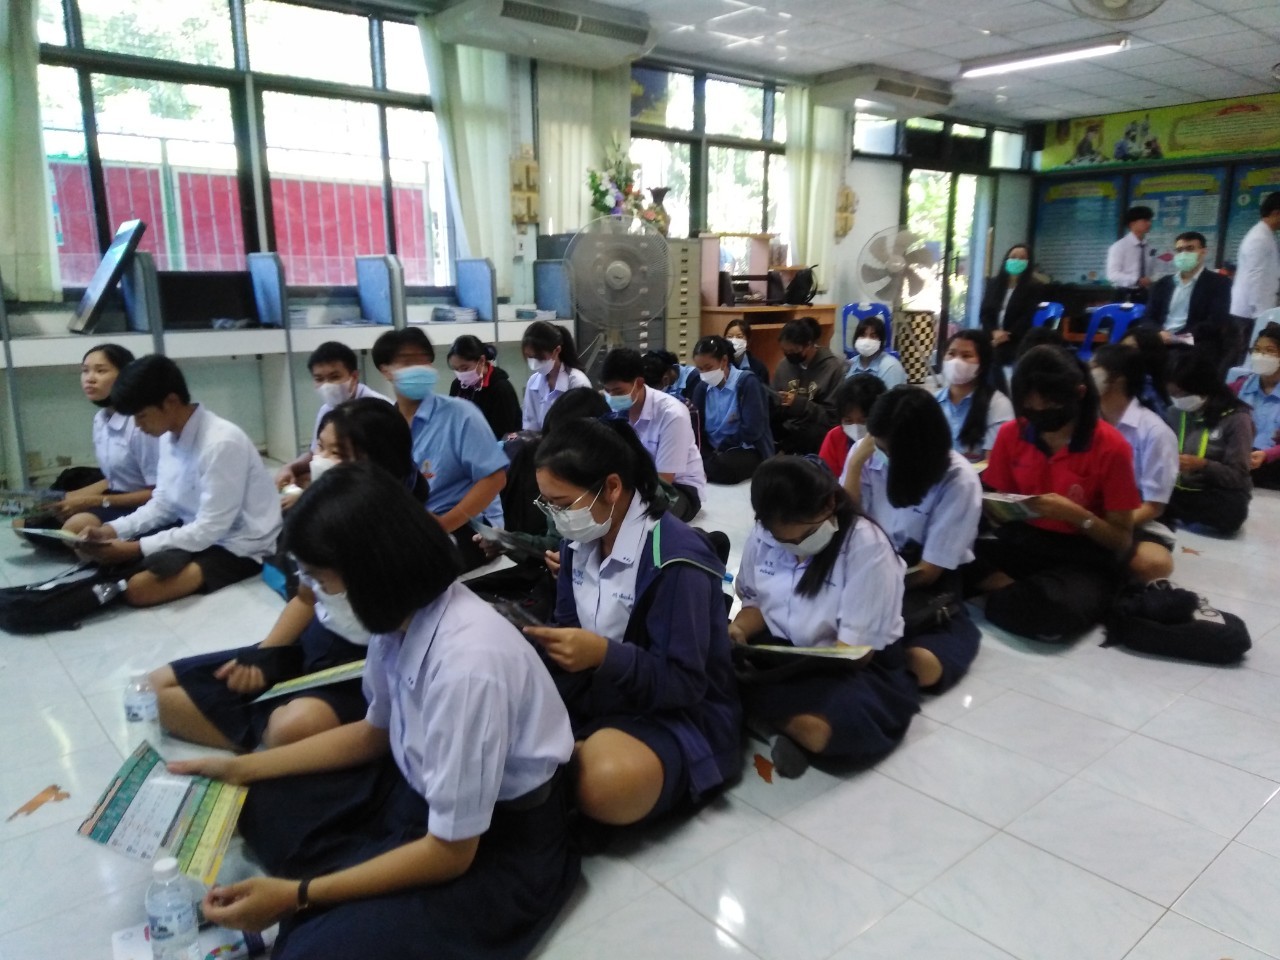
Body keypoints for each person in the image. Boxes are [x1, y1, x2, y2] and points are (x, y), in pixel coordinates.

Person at [168, 464, 578, 960]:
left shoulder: (467, 666)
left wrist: (298, 895)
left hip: (498, 842)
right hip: (414, 793)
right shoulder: (398, 620)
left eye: (321, 580)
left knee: (321, 951)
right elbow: (373, 732)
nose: (312, 593)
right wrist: (241, 769)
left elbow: (451, 852)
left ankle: (327, 901)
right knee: (261, 799)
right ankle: (340, 886)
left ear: (370, 575)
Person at [151, 399, 428, 752]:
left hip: (366, 667)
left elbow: (409, 649)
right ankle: (269, 737)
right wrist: (267, 653)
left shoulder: (405, 538)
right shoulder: (321, 519)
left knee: (288, 728)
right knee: (155, 688)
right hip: (316, 642)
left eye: (337, 453)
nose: (320, 461)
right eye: (320, 448)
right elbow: (306, 599)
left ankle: (271, 742)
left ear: (380, 464)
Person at [526, 417, 740, 825]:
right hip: (602, 690)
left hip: (678, 711)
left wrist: (603, 655)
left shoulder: (675, 559)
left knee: (604, 781)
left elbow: (684, 683)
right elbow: (566, 624)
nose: (556, 518)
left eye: (563, 504)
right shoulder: (579, 542)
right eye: (547, 504)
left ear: (612, 486)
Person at [731, 456, 918, 778]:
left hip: (846, 667)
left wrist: (790, 668)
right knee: (705, 660)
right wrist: (739, 629)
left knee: (826, 725)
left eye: (806, 535)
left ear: (830, 504)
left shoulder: (866, 545)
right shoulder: (764, 535)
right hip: (778, 651)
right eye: (784, 541)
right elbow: (756, 604)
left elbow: (855, 654)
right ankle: (773, 719)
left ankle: (760, 716)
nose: (796, 548)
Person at [76, 356, 282, 607]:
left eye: (142, 416)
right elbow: (163, 504)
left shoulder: (221, 442)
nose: (138, 426)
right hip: (195, 532)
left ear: (171, 402)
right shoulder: (168, 436)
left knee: (139, 589)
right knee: (101, 553)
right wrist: (112, 530)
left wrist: (134, 548)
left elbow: (211, 528)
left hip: (241, 545)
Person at [966, 345, 1140, 642]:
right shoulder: (1012, 433)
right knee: (948, 559)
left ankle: (1006, 592)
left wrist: (1075, 515)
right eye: (1029, 407)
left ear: (1079, 394)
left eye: (1049, 406)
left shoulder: (1112, 447)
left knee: (1055, 612)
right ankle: (1009, 590)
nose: (1038, 414)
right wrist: (994, 509)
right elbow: (998, 501)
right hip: (1023, 540)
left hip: (1082, 553)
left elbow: (1121, 539)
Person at [842, 388, 983, 693]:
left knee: (916, 661)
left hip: (919, 580)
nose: (880, 454)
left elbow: (930, 571)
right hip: (864, 566)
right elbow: (846, 526)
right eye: (877, 444)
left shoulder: (957, 479)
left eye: (888, 449)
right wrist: (854, 467)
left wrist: (876, 587)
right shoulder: (868, 453)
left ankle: (952, 630)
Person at [372, 328, 507, 571]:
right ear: (386, 370)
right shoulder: (383, 424)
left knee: (403, 569)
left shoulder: (460, 414)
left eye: (424, 360)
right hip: (408, 526)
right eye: (408, 361)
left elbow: (494, 478)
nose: (419, 367)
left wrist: (443, 524)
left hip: (461, 526)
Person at [41, 344, 160, 536]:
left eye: (100, 371)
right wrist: (69, 498)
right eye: (85, 371)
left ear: (125, 376)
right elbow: (113, 480)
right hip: (115, 497)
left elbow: (158, 494)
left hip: (144, 505)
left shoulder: (141, 424)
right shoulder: (101, 419)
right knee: (27, 522)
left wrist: (93, 501)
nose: (90, 378)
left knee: (75, 528)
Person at [1091, 345, 1179, 582]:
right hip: (1088, 509)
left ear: (1117, 379)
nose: (1086, 375)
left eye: (1094, 368)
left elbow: (1153, 506)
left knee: (1152, 563)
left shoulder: (1155, 432)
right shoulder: (1085, 420)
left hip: (1137, 519)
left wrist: (1104, 527)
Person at [600, 347, 707, 521]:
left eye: (618, 391)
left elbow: (664, 481)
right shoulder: (616, 409)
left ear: (639, 383)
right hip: (637, 482)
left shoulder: (672, 414)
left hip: (678, 489)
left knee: (637, 518)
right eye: (607, 390)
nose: (612, 397)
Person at [275, 341, 390, 492]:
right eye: (319, 379)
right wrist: (290, 468)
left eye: (334, 377)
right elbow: (315, 452)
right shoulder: (327, 409)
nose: (326, 385)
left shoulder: (378, 410)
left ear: (354, 377)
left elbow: (379, 468)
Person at [1163, 347, 1253, 536]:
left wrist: (1203, 465)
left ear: (1203, 388)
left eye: (1182, 394)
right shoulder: (1174, 412)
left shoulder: (1237, 418)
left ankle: (1170, 510)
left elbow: (1238, 476)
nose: (1177, 400)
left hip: (1212, 491)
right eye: (1173, 394)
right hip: (1176, 486)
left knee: (1232, 511)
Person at [1143, 231, 1235, 372]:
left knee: (1179, 360)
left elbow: (1216, 321)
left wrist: (1177, 338)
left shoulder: (1219, 283)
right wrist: (1159, 333)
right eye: (1180, 250)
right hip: (1161, 338)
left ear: (1203, 252)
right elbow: (1148, 317)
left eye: (1190, 249)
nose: (1184, 254)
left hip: (1195, 341)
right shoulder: (1162, 284)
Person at [689, 335, 776, 484]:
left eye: (708, 368)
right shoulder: (701, 388)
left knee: (723, 467)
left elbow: (752, 430)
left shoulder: (747, 382)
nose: (704, 374)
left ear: (724, 361)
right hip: (713, 449)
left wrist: (725, 445)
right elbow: (696, 427)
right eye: (700, 369)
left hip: (745, 448)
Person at [935, 330, 1014, 462]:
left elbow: (993, 463)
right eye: (951, 354)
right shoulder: (934, 402)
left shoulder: (998, 406)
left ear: (982, 365)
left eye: (966, 355)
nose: (956, 361)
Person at [770, 317, 844, 455]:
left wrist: (800, 404)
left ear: (809, 345)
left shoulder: (832, 368)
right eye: (785, 351)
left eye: (794, 351)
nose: (789, 355)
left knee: (811, 434)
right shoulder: (784, 365)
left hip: (815, 430)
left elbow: (832, 418)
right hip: (789, 426)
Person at [1229, 191, 1280, 365]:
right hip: (1250, 313)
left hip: (1255, 310)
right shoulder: (1259, 238)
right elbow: (1256, 277)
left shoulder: (1266, 235)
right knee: (1244, 358)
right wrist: (1261, 315)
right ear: (1276, 213)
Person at [980, 244, 1044, 373]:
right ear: (1006, 260)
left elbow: (1027, 316)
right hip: (992, 336)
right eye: (1013, 257)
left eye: (1022, 258)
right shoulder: (993, 284)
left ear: (1028, 262)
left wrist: (1007, 335)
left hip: (1017, 338)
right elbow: (985, 313)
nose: (1017, 260)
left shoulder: (1034, 287)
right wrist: (994, 332)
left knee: (997, 356)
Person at [1232, 322, 1280, 489]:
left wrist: (1268, 454)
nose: (1261, 356)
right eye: (1257, 350)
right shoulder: (1238, 387)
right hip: (1240, 456)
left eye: (1269, 351)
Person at [447, 335, 522, 439]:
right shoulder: (457, 386)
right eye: (456, 369)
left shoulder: (501, 389)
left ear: (482, 361)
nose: (461, 374)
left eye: (465, 368)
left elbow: (503, 433)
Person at [521, 321, 591, 431]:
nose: (534, 362)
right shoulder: (533, 382)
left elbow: (582, 430)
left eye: (539, 357)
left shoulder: (578, 383)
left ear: (557, 350)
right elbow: (530, 426)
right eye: (529, 357)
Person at [817, 375, 886, 479]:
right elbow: (824, 479)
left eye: (863, 421)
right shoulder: (835, 437)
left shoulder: (889, 442)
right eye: (848, 421)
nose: (856, 427)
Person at [1119, 324, 1172, 419]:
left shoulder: (1149, 389)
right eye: (1121, 348)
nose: (1123, 353)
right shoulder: (1118, 377)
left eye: (1131, 348)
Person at [1106, 205, 1156, 295]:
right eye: (1145, 220)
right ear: (1132, 223)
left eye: (1150, 220)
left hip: (1146, 294)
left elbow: (1152, 270)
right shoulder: (1119, 246)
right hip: (1124, 293)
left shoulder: (1149, 247)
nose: (1149, 224)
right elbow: (1112, 275)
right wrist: (1136, 280)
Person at [846, 316, 907, 388]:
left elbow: (891, 395)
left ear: (881, 341)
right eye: (862, 335)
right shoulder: (851, 364)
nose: (866, 341)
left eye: (873, 336)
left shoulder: (890, 366)